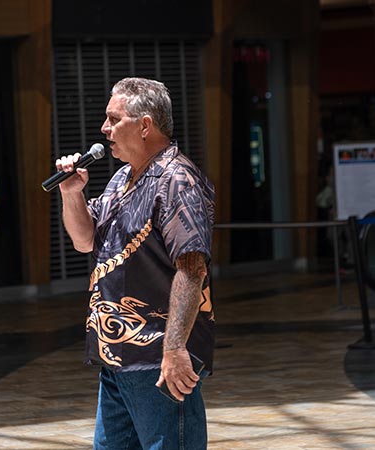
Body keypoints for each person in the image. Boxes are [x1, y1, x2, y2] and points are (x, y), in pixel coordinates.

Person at [55, 77, 215, 450]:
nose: (104, 128)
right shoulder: (121, 178)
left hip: (157, 360)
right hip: (117, 359)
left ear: (144, 125)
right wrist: (71, 194)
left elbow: (192, 269)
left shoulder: (177, 180)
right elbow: (84, 241)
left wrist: (175, 350)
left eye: (113, 119)